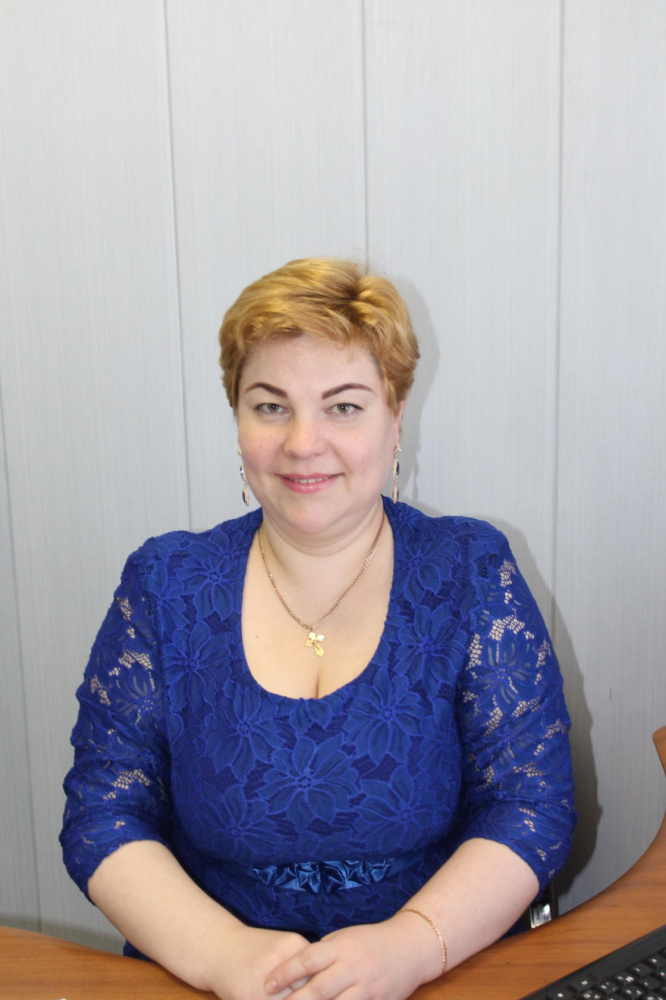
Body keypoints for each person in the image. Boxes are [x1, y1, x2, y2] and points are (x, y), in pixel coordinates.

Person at [61, 257, 576, 1000]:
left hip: (441, 971)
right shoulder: (166, 584)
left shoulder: (467, 571)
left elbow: (531, 805)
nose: (303, 442)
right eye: (271, 406)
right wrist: (222, 957)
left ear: (396, 417)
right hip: (209, 981)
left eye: (344, 407)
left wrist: (411, 947)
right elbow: (104, 813)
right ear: (237, 418)